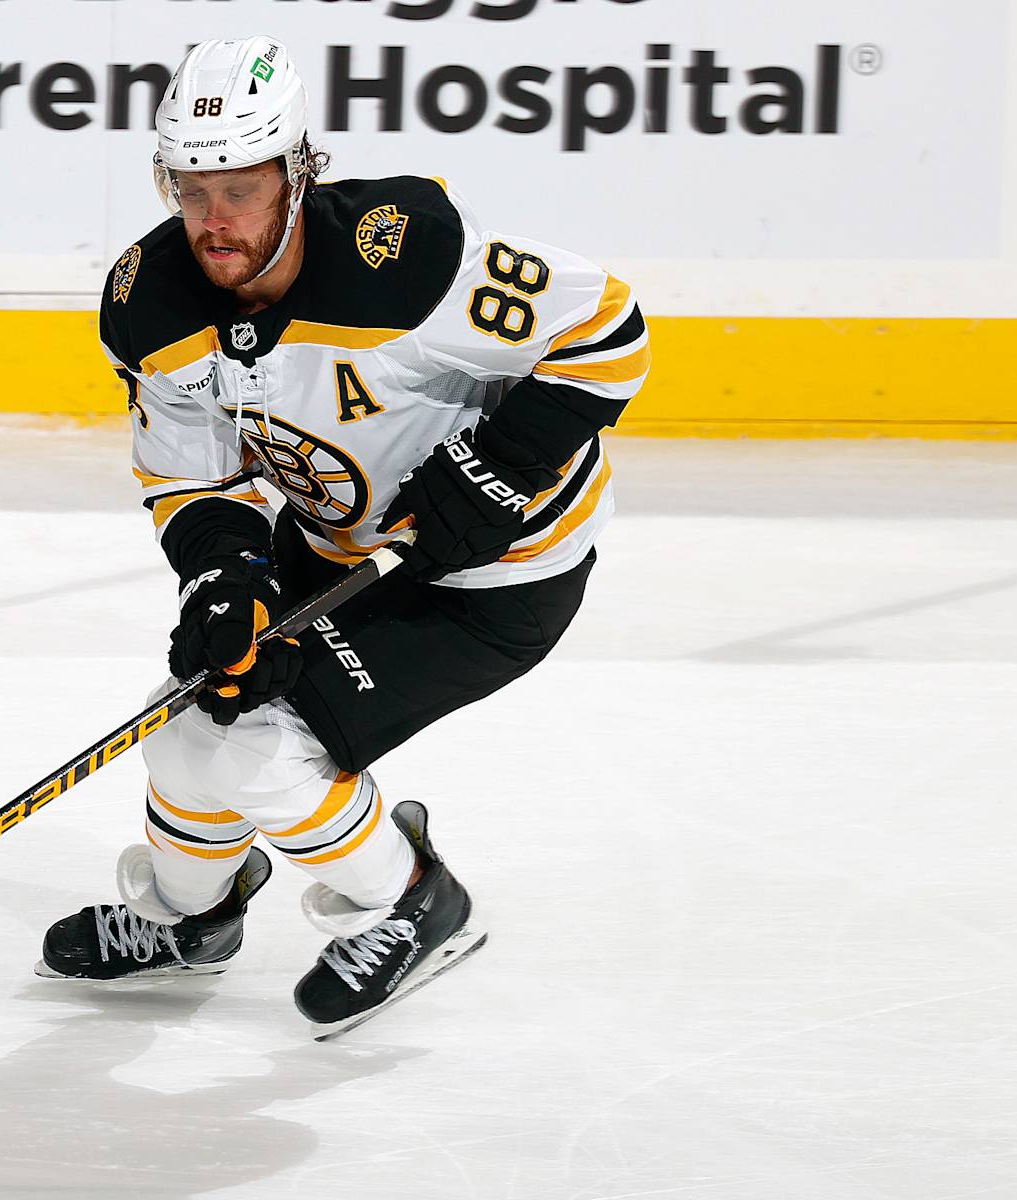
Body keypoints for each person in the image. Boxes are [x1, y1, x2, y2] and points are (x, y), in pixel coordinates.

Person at [37, 35, 649, 1035]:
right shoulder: (149, 300)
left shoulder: (403, 257)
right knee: (192, 721)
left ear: (295, 170)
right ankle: (189, 920)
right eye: (191, 187)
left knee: (268, 755)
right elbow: (191, 470)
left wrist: (498, 472)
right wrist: (223, 579)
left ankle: (411, 904)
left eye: (240, 186)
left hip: (498, 578)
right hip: (338, 547)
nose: (213, 219)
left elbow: (609, 330)